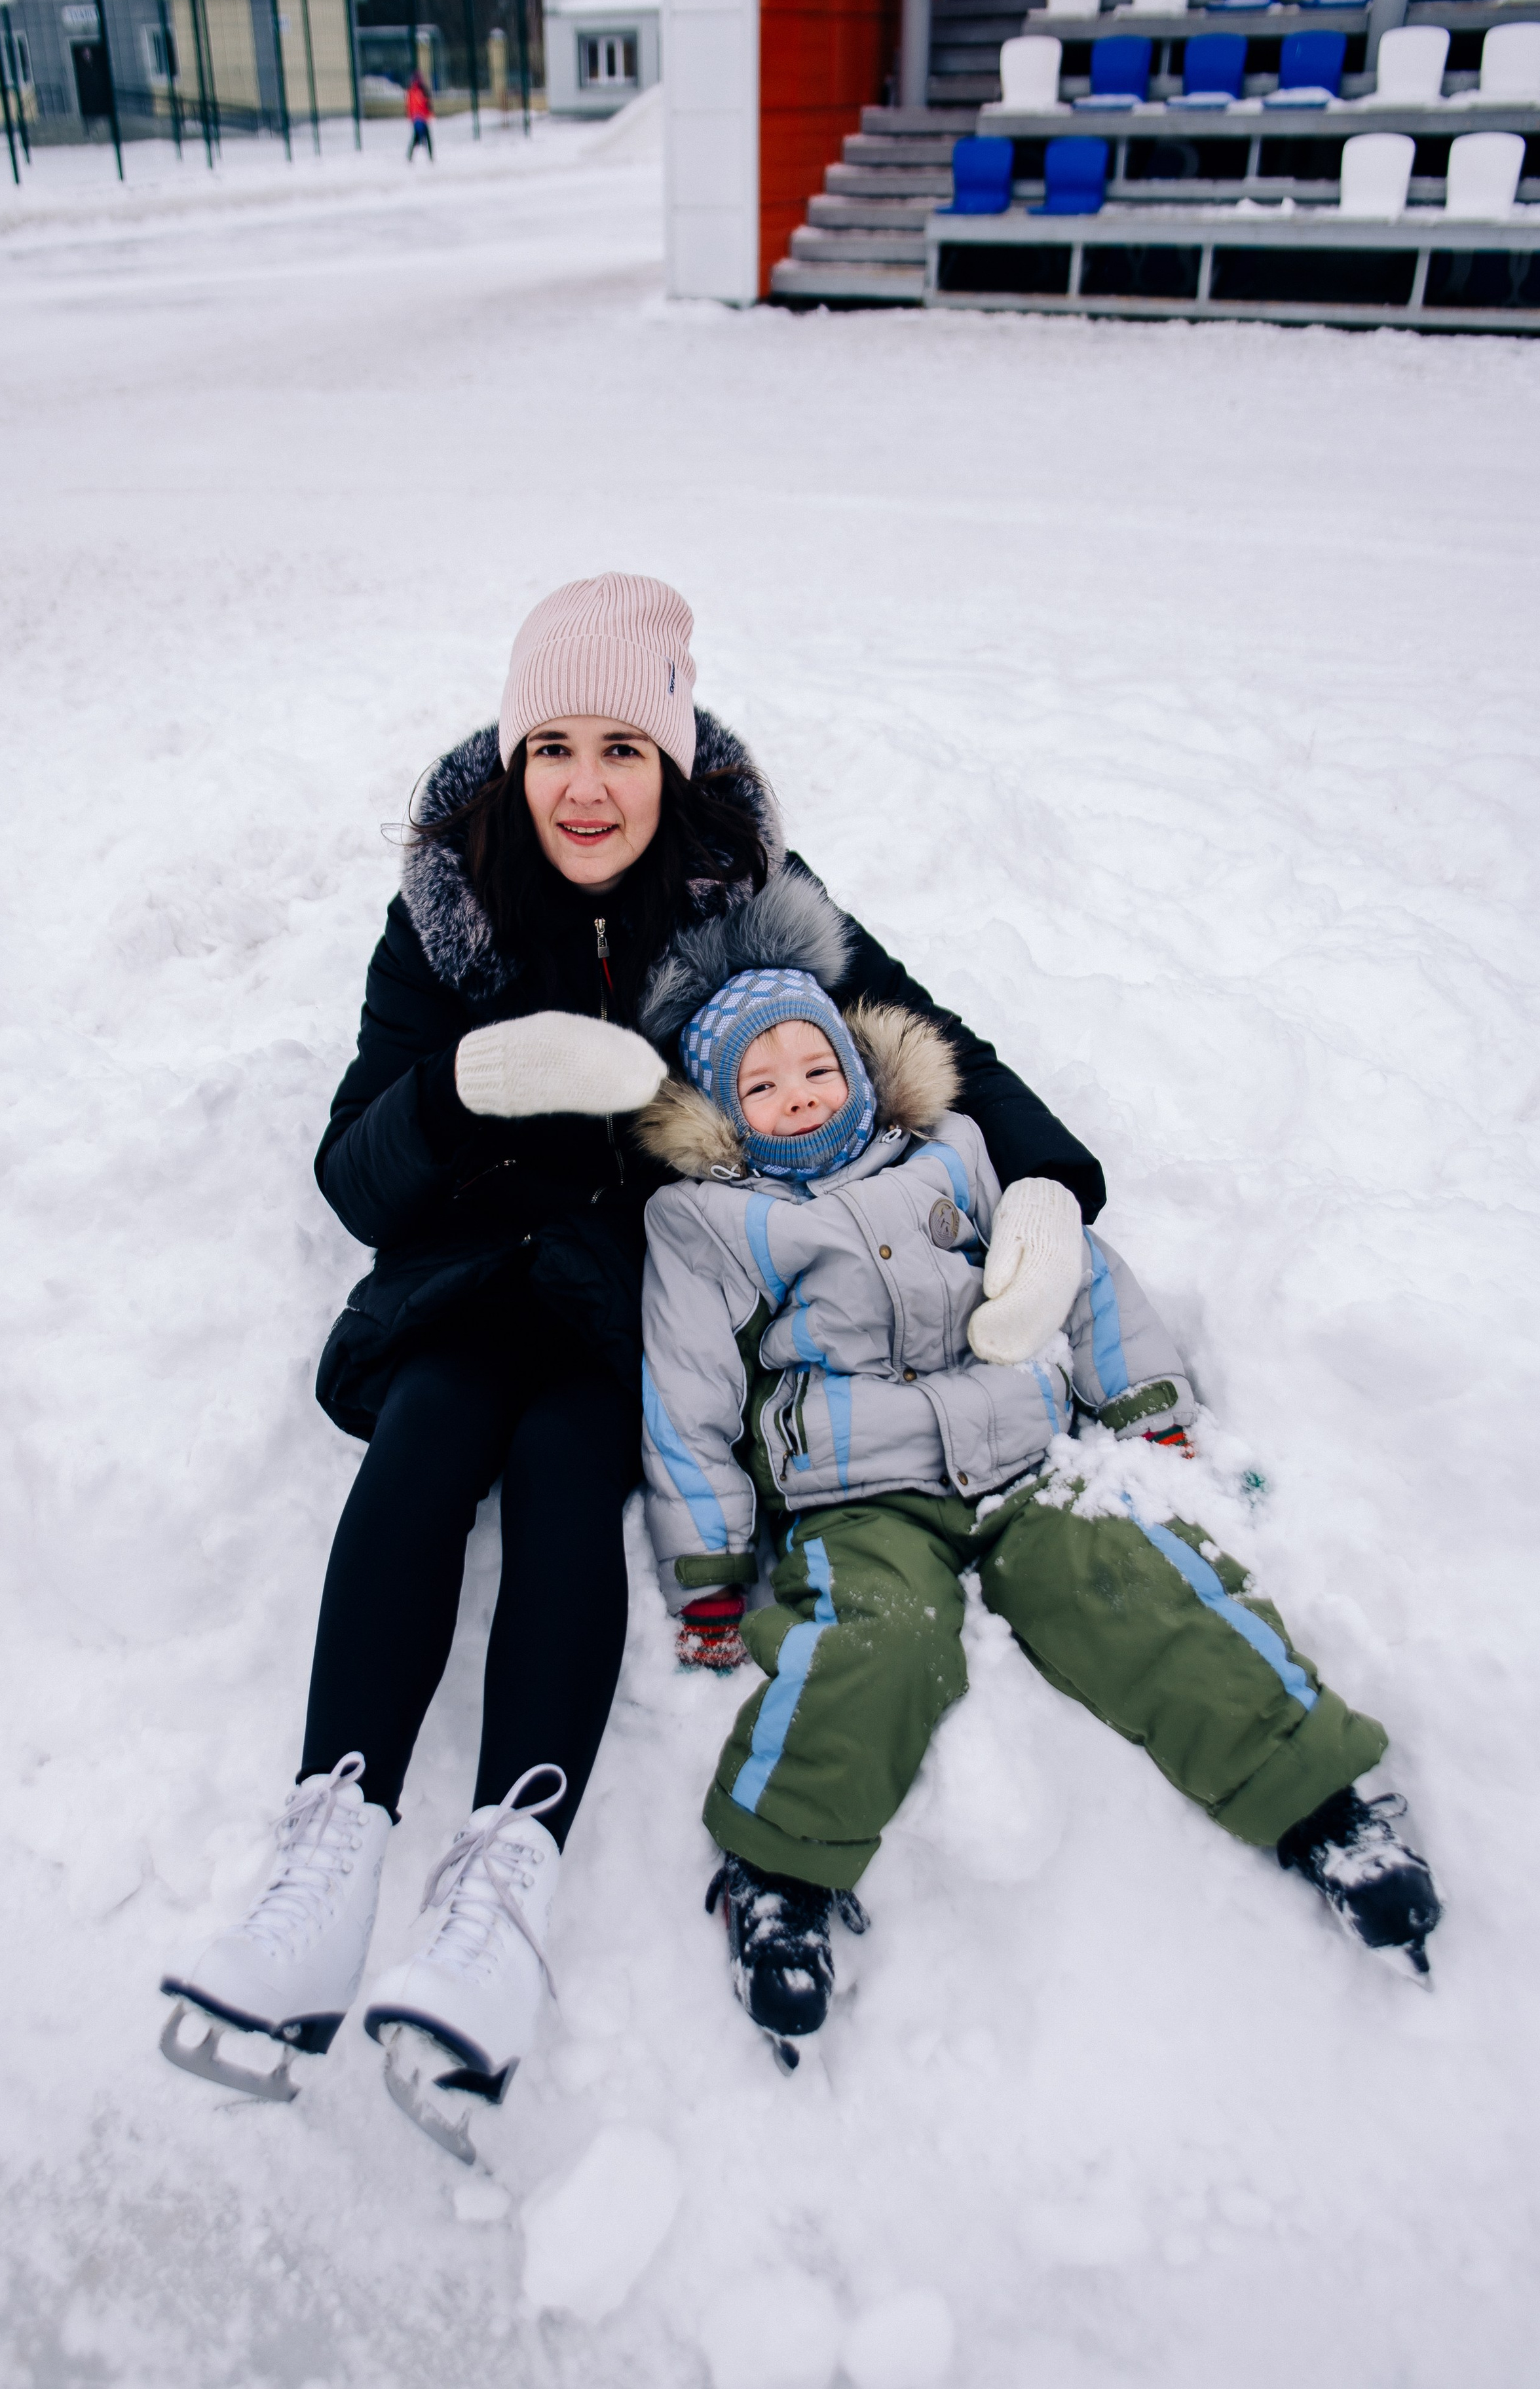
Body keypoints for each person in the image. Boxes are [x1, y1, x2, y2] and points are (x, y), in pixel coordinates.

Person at [159, 573, 1108, 2154]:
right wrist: (469, 1082)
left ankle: (502, 1903)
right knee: (431, 1430)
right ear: (512, 758)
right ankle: (322, 1853)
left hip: (632, 1293)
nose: (583, 783)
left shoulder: (754, 904)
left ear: (668, 761)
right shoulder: (447, 914)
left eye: (619, 743)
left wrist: (1046, 1183)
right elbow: (353, 1174)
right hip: (465, 1270)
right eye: (550, 746)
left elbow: (934, 1043)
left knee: (555, 1473)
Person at [634, 891, 1443, 2068]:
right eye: (764, 1086)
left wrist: (1144, 1403)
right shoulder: (711, 1226)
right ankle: (781, 1880)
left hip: (1019, 1452)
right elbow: (689, 1395)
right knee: (877, 1639)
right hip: (859, 1495)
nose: (800, 1091)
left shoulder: (951, 1153)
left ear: (859, 1066)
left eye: (817, 1064)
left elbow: (1076, 1272)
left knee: (1136, 1583)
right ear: (727, 1114)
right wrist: (709, 1569)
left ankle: (1321, 1803)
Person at [405, 69, 434, 161]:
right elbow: (411, 105)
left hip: (421, 117)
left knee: (420, 137)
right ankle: (429, 156)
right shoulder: (414, 91)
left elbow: (427, 103)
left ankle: (411, 155)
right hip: (418, 117)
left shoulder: (420, 91)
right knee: (422, 137)